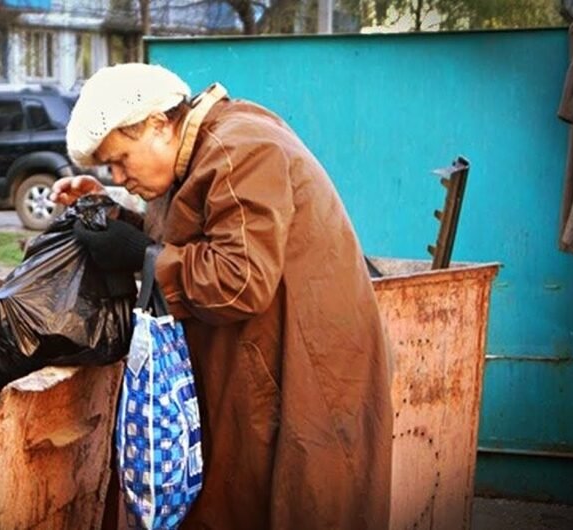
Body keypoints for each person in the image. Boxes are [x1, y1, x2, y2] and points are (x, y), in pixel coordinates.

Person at [52, 63, 393, 529]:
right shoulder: (195, 153)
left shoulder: (240, 150)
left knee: (303, 503)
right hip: (263, 361)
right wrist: (111, 215)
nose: (119, 175)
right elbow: (188, 240)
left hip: (304, 371)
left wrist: (139, 255)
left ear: (157, 125)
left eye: (121, 160)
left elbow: (238, 278)